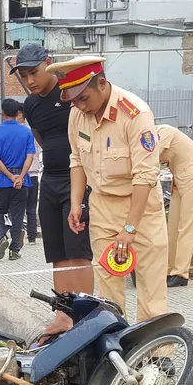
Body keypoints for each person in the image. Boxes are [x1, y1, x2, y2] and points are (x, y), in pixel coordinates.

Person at [51, 55, 169, 322]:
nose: (79, 107)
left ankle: (157, 356)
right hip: (103, 205)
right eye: (74, 101)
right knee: (108, 288)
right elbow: (77, 159)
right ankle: (114, 350)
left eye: (83, 98)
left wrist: (130, 229)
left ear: (101, 84)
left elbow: (145, 175)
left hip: (142, 208)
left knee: (150, 288)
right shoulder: (77, 115)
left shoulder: (135, 114)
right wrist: (76, 202)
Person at [9, 43, 95, 343]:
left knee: (78, 252)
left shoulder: (71, 94)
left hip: (79, 179)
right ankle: (62, 314)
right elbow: (41, 139)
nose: (29, 80)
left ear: (48, 63)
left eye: (33, 72)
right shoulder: (30, 105)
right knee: (58, 253)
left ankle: (85, 314)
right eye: (23, 75)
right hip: (50, 179)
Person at [157, 124, 193, 287]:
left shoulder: (163, 132)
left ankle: (180, 273)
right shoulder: (148, 138)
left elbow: (150, 158)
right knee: (172, 227)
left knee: (187, 227)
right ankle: (169, 270)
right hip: (180, 179)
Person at [0, 98, 35, 261]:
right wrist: (20, 177)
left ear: (2, 113)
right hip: (22, 182)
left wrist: (9, 176)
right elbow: (30, 156)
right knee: (17, 215)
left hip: (2, 181)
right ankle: (14, 251)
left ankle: (2, 237)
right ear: (17, 113)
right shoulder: (27, 132)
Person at [15, 108, 42, 247]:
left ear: (20, 115)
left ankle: (18, 235)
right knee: (31, 207)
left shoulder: (18, 133)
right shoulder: (33, 132)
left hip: (20, 174)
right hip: (33, 174)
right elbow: (38, 150)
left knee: (19, 207)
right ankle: (32, 236)